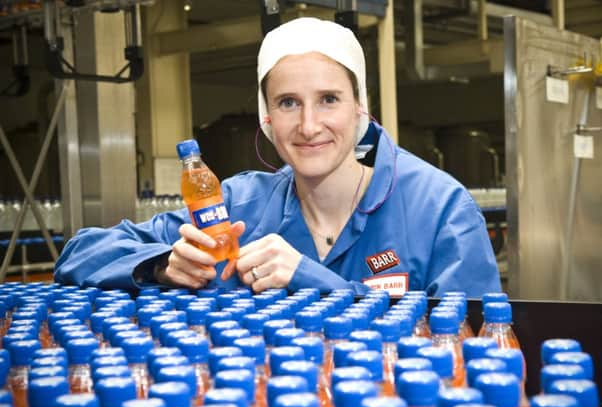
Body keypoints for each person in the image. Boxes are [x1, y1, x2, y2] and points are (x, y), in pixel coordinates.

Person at [54, 17, 501, 297]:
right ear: (267, 118)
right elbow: (78, 253)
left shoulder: (440, 210)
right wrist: (162, 264)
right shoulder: (240, 205)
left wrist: (314, 281)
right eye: (288, 102)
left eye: (328, 99)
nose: (308, 126)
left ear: (360, 106)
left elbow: (476, 343)